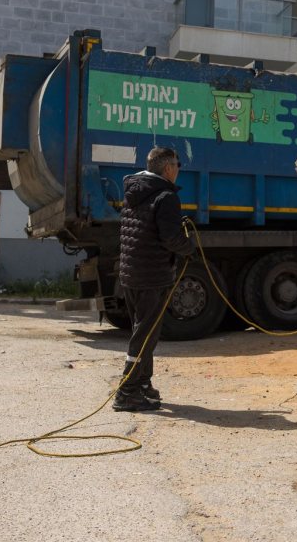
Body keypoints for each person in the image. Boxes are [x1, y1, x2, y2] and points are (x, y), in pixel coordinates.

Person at [112, 146, 194, 412]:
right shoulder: (166, 196)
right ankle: (126, 392)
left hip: (131, 274)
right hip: (152, 277)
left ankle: (143, 386)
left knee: (142, 330)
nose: (178, 170)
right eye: (177, 165)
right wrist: (189, 246)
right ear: (169, 168)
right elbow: (170, 238)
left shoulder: (135, 191)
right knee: (145, 335)